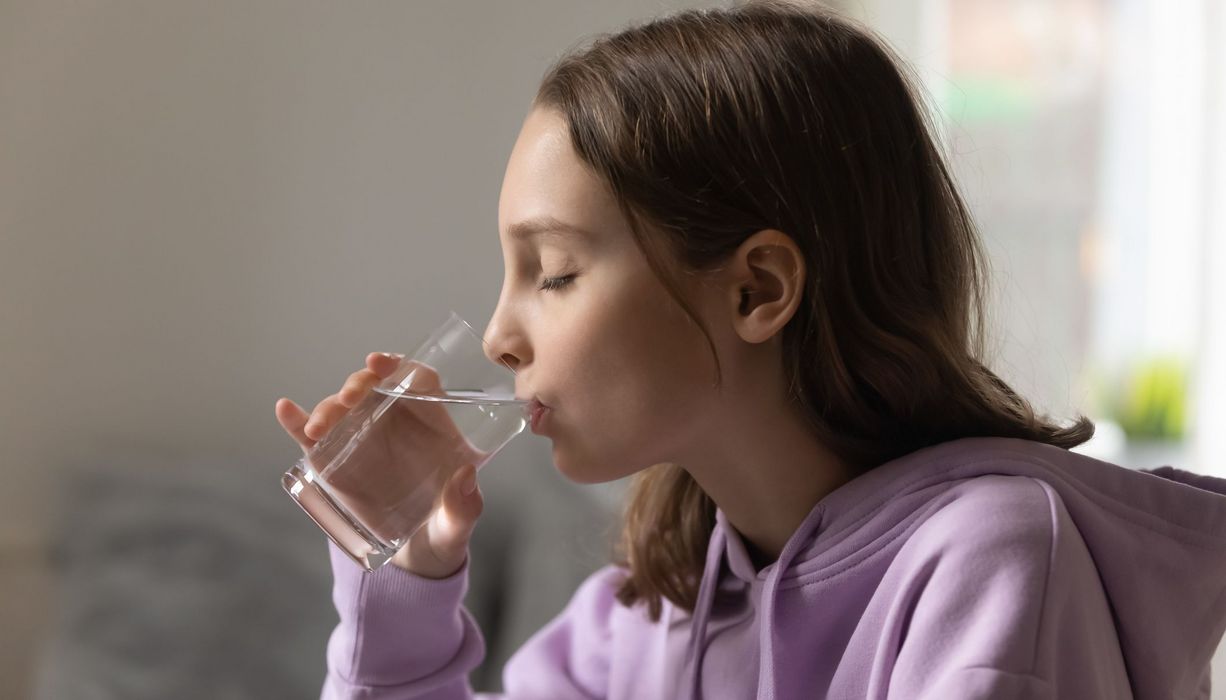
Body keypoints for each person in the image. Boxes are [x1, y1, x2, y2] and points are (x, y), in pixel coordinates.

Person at [274, 3, 1226, 698]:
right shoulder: (641, 619)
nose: (497, 336)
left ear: (757, 290)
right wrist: (402, 585)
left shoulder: (990, 564)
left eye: (554, 271)